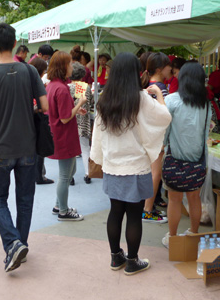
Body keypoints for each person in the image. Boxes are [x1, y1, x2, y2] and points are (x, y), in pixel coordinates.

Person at [90, 53, 171, 275]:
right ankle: (133, 261)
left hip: (113, 167)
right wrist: (157, 95)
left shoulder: (105, 99)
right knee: (134, 215)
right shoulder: (142, 98)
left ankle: (116, 258)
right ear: (137, 74)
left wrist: (100, 157)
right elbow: (164, 117)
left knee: (115, 212)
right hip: (136, 167)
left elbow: (98, 134)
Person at [0, 23, 48, 272]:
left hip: (1, 149)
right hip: (28, 146)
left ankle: (12, 243)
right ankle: (21, 245)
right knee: (25, 199)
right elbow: (44, 105)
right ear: (15, 42)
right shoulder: (29, 70)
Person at [161, 62, 210, 249]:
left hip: (174, 159)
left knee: (173, 199)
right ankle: (193, 234)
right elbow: (205, 134)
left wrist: (162, 146)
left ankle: (172, 237)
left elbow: (165, 130)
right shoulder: (206, 105)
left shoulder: (172, 100)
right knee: (194, 198)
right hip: (197, 161)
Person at [46, 51, 86, 221]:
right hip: (64, 136)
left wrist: (76, 108)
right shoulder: (61, 89)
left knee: (68, 172)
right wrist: (80, 104)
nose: (72, 67)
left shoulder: (52, 85)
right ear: (63, 67)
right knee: (65, 175)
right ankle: (63, 210)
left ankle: (59, 205)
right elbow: (64, 118)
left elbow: (62, 113)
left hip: (59, 135)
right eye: (69, 64)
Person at [140, 52, 172, 221]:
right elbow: (165, 113)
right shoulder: (160, 88)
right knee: (155, 174)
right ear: (160, 69)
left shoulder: (146, 84)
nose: (170, 69)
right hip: (156, 138)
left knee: (149, 173)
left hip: (146, 136)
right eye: (168, 66)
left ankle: (146, 207)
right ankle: (147, 210)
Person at [29, 57, 55, 185]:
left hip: (28, 120)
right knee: (40, 148)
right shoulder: (36, 82)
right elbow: (43, 106)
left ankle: (38, 175)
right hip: (37, 118)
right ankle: (39, 176)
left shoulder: (26, 80)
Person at [68, 62, 93, 184]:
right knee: (85, 148)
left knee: (71, 150)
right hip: (83, 122)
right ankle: (88, 173)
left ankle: (70, 176)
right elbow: (90, 103)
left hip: (70, 121)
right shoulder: (85, 87)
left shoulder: (67, 87)